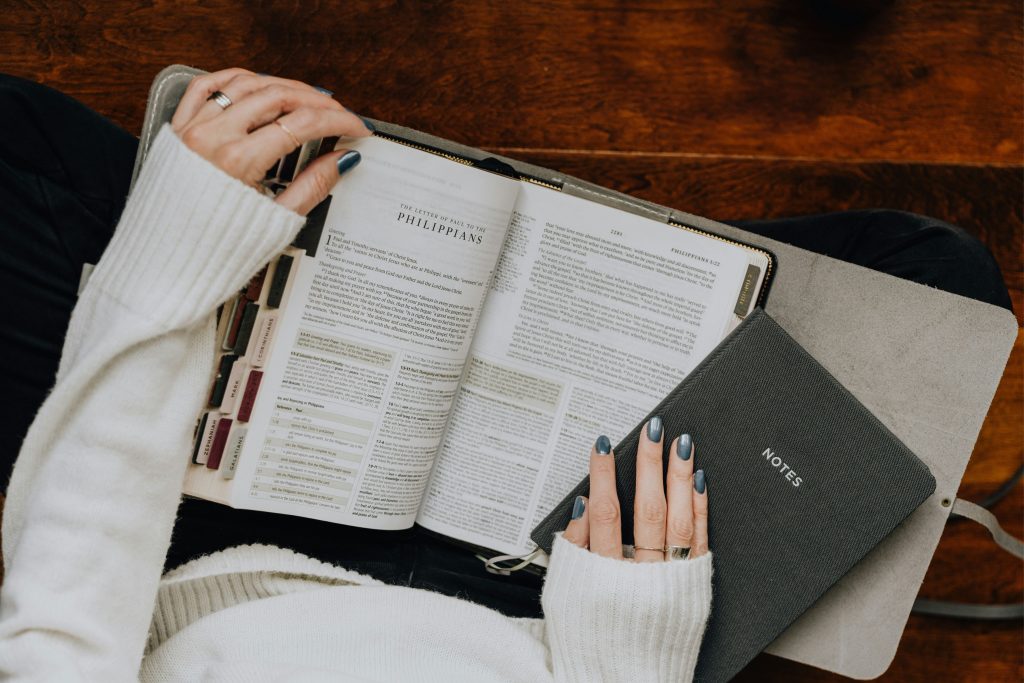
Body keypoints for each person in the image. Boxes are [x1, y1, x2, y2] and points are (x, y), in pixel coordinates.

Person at [0, 68, 1012, 681]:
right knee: (938, 291)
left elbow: (62, 633)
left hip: (192, 559)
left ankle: (540, 247)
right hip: (567, 609)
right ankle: (589, 263)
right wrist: (628, 648)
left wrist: (169, 272)